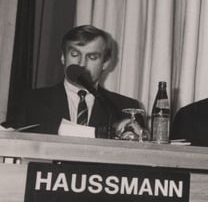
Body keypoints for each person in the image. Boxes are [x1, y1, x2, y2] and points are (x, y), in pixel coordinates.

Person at [6, 25, 141, 137]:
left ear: (105, 63)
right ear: (63, 58)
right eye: (75, 55)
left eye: (92, 57)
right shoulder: (31, 102)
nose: (81, 64)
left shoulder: (126, 108)